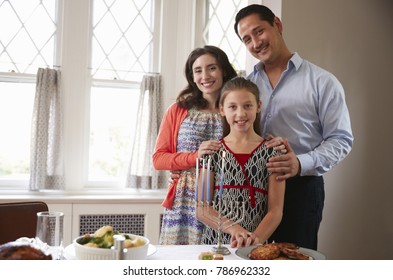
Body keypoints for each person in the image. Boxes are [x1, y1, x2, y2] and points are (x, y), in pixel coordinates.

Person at [234, 4, 354, 250]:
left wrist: (300, 163)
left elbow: (341, 139)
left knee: (295, 262)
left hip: (301, 189)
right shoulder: (246, 85)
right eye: (247, 39)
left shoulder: (323, 82)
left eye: (259, 31)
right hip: (251, 188)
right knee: (248, 258)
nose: (255, 43)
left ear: (277, 25)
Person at [152, 45, 238, 245]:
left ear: (224, 70)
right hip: (184, 201)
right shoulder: (178, 109)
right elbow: (158, 159)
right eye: (198, 70)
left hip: (226, 199)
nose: (205, 76)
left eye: (212, 68)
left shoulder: (236, 108)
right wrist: (193, 157)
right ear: (192, 76)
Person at [196, 77, 285, 248]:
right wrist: (235, 230)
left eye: (247, 106)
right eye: (232, 107)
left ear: (258, 106)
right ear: (222, 110)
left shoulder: (273, 152)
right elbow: (202, 208)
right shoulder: (212, 152)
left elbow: (275, 211)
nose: (241, 114)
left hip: (255, 244)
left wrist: (254, 239)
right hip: (216, 243)